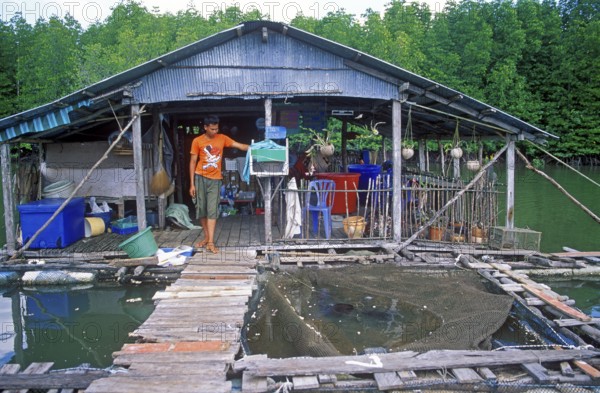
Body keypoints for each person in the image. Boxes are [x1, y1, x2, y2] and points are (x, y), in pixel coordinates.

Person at [189, 115, 249, 253]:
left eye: (217, 128)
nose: (215, 131)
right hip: (199, 178)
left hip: (215, 180)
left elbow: (239, 145)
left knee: (212, 211)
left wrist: (255, 147)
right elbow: (192, 162)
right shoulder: (197, 141)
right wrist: (192, 184)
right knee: (201, 210)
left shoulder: (222, 138)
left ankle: (210, 242)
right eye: (212, 129)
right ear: (205, 127)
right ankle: (206, 237)